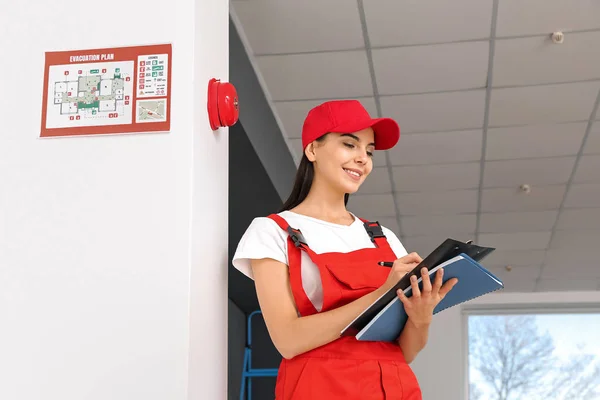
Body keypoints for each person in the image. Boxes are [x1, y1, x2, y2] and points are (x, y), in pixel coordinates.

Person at [232, 99, 458, 399]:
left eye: (369, 151)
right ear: (312, 150)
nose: (363, 159)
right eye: (350, 145)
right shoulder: (272, 231)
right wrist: (380, 293)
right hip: (318, 389)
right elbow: (287, 339)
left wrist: (421, 314)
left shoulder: (383, 238)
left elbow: (403, 353)